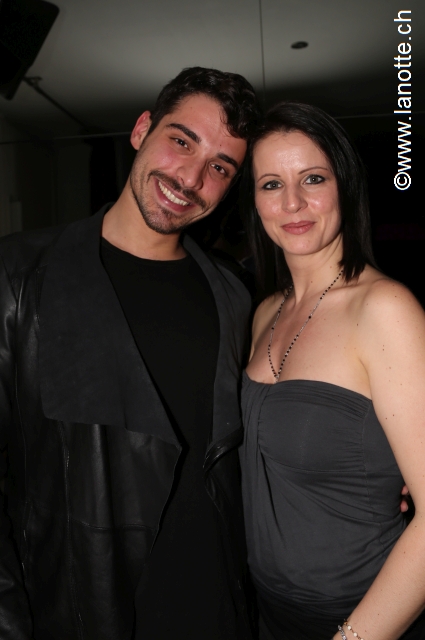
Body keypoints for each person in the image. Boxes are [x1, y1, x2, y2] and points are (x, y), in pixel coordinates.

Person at [0, 67, 262, 639]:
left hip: (219, 612)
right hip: (82, 615)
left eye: (220, 167)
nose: (190, 178)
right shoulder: (18, 277)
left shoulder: (234, 293)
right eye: (182, 141)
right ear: (143, 129)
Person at [240, 101, 425, 640]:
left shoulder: (385, 309)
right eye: (271, 184)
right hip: (270, 612)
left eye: (313, 178)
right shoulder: (265, 312)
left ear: (345, 184)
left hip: (363, 617)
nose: (292, 202)